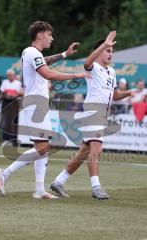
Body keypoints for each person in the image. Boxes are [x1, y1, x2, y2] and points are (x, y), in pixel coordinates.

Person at [0, 20, 90, 199]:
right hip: (36, 104)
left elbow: (45, 62)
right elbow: (47, 74)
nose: (51, 38)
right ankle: (5, 173)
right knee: (43, 147)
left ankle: (39, 189)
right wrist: (75, 74)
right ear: (40, 35)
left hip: (37, 104)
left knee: (42, 147)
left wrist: (64, 54)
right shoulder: (32, 52)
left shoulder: (31, 53)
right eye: (49, 35)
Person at [50, 31, 133, 200]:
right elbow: (87, 62)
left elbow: (115, 95)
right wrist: (105, 43)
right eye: (108, 50)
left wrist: (127, 93)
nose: (110, 53)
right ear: (100, 51)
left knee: (85, 150)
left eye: (111, 51)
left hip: (102, 113)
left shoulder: (112, 72)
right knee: (96, 148)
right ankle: (96, 187)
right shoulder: (94, 66)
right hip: (93, 110)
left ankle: (58, 181)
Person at [0, 69, 23, 146]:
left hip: (14, 104)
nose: (9, 77)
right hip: (5, 103)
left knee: (13, 122)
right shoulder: (4, 82)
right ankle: (6, 139)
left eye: (11, 75)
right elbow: (1, 94)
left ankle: (13, 140)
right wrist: (6, 96)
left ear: (14, 75)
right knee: (5, 122)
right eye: (8, 75)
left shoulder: (18, 83)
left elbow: (21, 93)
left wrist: (15, 95)